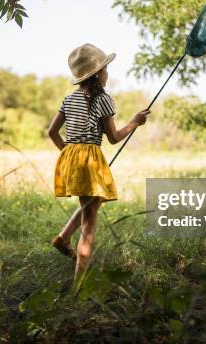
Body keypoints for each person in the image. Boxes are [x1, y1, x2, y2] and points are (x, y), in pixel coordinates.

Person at [47, 43, 151, 280]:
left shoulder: (69, 98)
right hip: (89, 158)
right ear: (97, 74)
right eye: (105, 69)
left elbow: (52, 132)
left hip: (70, 157)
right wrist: (134, 122)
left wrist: (68, 152)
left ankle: (63, 238)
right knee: (89, 225)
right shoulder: (103, 100)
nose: (108, 73)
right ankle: (79, 283)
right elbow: (114, 138)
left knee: (93, 202)